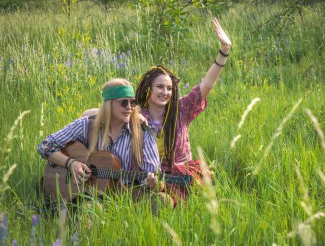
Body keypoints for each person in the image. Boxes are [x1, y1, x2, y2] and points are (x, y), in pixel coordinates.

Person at [134, 17, 232, 206]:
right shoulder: (138, 115)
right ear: (148, 88)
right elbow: (100, 113)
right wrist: (133, 116)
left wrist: (224, 51)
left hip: (183, 175)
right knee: (159, 202)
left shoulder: (181, 109)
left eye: (169, 88)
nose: (165, 92)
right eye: (160, 87)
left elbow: (207, 85)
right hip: (152, 177)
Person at [38, 78, 163, 207]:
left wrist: (153, 184)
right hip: (89, 193)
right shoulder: (86, 125)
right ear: (109, 103)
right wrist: (71, 163)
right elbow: (45, 146)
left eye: (133, 102)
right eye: (124, 102)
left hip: (125, 192)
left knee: (163, 201)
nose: (129, 107)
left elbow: (153, 176)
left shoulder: (143, 133)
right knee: (91, 209)